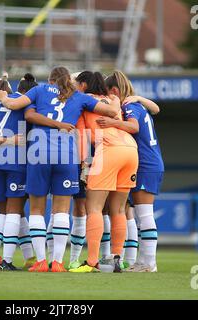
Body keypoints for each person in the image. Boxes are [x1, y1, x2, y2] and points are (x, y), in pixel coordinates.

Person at [0, 66, 121, 272]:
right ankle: (58, 263)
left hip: (38, 151)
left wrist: (1, 96)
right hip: (66, 154)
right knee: (62, 210)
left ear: (51, 79)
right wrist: (113, 100)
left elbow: (12, 104)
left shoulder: (39, 90)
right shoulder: (79, 96)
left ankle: (42, 261)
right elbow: (112, 112)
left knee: (36, 209)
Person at [69, 72, 139, 273]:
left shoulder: (83, 102)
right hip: (130, 150)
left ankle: (91, 262)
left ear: (83, 86)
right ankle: (116, 259)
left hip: (108, 149)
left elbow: (83, 137)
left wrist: (85, 164)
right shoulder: (112, 100)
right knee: (118, 210)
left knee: (94, 208)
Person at [97, 70, 164, 272]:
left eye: (109, 94)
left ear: (115, 91)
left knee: (144, 215)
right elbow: (157, 109)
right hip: (149, 162)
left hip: (146, 164)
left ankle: (149, 263)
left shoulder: (129, 106)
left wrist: (112, 122)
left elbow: (133, 127)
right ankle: (142, 262)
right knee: (138, 214)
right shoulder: (138, 104)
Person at [0, 73, 39, 270]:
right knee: (14, 211)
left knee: (2, 212)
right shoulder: (28, 104)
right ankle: (8, 261)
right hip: (15, 162)